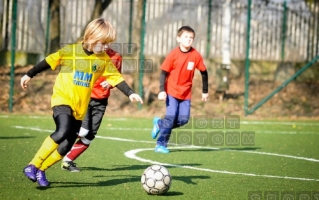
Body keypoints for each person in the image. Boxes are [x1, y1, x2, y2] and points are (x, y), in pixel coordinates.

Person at [21, 18, 143, 187]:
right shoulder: (71, 51)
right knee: (62, 130)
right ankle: (32, 165)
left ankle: (42, 170)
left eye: (109, 43)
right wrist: (29, 74)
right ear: (92, 37)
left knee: (65, 147)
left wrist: (130, 93)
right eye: (104, 43)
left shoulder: (103, 60)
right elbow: (49, 61)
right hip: (62, 99)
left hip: (80, 108)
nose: (107, 47)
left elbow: (116, 78)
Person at [61, 46, 122, 172]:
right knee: (83, 131)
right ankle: (58, 141)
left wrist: (110, 84)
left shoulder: (116, 57)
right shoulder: (89, 54)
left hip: (101, 101)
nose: (104, 45)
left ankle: (67, 161)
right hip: (86, 97)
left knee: (89, 136)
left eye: (107, 41)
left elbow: (116, 77)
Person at [151, 26, 208, 154]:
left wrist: (205, 91)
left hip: (186, 94)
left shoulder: (196, 55)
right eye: (186, 37)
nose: (189, 40)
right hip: (171, 91)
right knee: (171, 118)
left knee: (183, 120)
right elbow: (163, 73)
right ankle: (161, 144)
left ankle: (160, 124)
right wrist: (161, 90)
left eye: (191, 38)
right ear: (178, 39)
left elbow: (204, 72)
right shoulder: (173, 55)